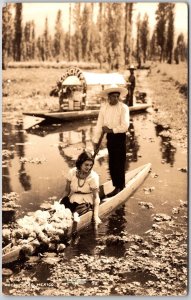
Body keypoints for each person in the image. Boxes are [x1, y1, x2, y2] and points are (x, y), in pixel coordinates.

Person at [93, 85, 130, 197]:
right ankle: (116, 185)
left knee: (119, 161)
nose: (115, 98)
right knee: (112, 162)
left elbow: (125, 126)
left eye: (117, 96)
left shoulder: (123, 108)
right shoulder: (104, 108)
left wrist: (111, 130)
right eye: (113, 96)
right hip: (110, 137)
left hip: (119, 136)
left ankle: (120, 186)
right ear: (108, 97)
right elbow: (99, 125)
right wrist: (95, 140)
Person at [60, 151, 101, 225]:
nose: (88, 167)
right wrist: (60, 203)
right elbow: (67, 191)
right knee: (61, 211)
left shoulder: (93, 177)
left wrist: (95, 216)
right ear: (80, 163)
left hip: (85, 202)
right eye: (86, 165)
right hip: (72, 199)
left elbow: (96, 197)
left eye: (90, 165)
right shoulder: (72, 172)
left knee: (74, 215)